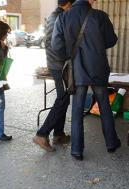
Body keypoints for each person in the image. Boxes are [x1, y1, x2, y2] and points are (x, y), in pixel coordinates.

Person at [52, 0, 121, 160]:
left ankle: (77, 150)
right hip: (98, 66)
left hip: (77, 69)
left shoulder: (63, 17)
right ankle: (111, 144)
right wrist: (96, 44)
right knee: (104, 105)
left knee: (77, 109)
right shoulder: (100, 16)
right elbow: (112, 40)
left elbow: (56, 45)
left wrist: (69, 56)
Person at [33, 0, 75, 152]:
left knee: (64, 99)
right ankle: (42, 134)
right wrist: (67, 57)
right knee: (62, 99)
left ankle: (58, 134)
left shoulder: (57, 16)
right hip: (59, 65)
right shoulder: (58, 18)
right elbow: (53, 44)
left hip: (58, 64)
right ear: (68, 4)